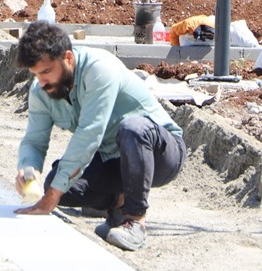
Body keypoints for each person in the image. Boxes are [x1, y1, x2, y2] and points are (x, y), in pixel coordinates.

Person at [13, 21, 186, 252]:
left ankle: (135, 221)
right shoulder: (41, 91)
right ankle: (119, 205)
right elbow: (34, 141)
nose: (42, 82)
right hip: (114, 157)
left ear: (68, 58)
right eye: (36, 74)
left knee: (132, 128)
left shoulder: (99, 69)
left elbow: (89, 133)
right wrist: (28, 168)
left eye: (46, 72)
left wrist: (53, 195)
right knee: (58, 184)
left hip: (161, 154)